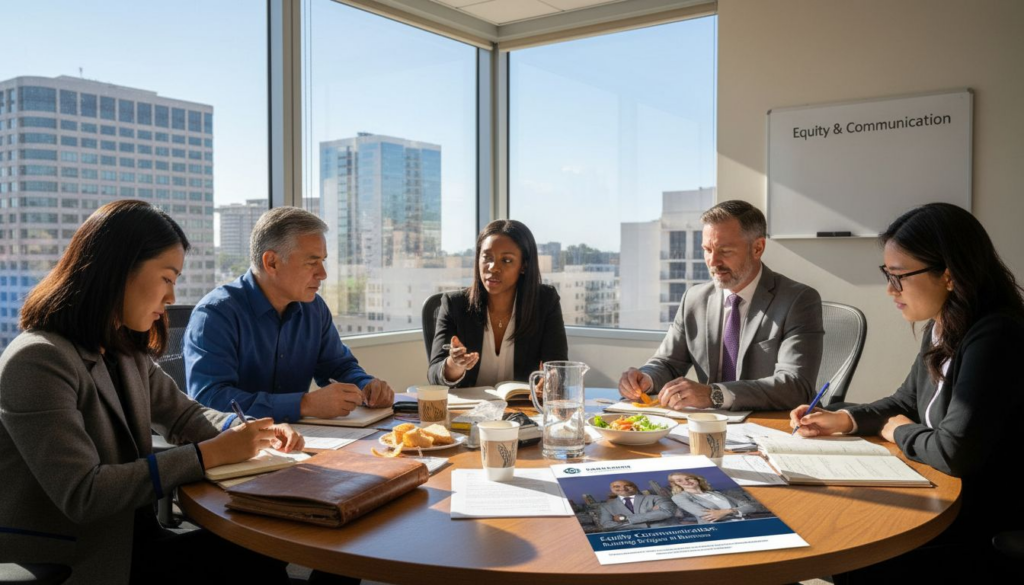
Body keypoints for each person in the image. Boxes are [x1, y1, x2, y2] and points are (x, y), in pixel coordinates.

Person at [0, 200, 302, 584]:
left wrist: (250, 430)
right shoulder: (38, 359)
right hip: (82, 557)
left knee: (260, 551)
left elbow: (184, 416)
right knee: (256, 560)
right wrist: (206, 455)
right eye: (167, 278)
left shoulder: (123, 349)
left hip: (134, 539)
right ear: (120, 272)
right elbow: (83, 494)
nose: (172, 297)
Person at [790, 203, 1024, 578]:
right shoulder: (945, 324)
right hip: (941, 497)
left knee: (851, 548)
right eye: (887, 274)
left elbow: (954, 451)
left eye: (898, 276)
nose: (889, 290)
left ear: (949, 275)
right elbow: (905, 402)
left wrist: (895, 430)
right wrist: (844, 419)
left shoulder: (996, 336)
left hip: (978, 520)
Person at [185, 207, 394, 423]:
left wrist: (366, 385)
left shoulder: (314, 309)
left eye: (323, 261)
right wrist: (304, 404)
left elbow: (338, 366)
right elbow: (210, 400)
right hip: (236, 447)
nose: (322, 274)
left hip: (298, 439)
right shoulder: (214, 315)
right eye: (312, 262)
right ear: (272, 262)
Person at [619, 200, 823, 411]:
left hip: (770, 425)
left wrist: (714, 394)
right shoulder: (694, 299)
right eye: (707, 250)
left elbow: (796, 385)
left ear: (758, 248)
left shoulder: (798, 300)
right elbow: (668, 363)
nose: (713, 261)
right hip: (707, 425)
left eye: (725, 251)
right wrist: (646, 378)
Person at [427, 219, 568, 387]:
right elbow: (434, 373)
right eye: (487, 257)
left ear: (524, 265)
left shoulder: (544, 302)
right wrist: (453, 365)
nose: (493, 268)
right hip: (471, 409)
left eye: (506, 260)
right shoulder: (454, 304)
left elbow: (558, 366)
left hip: (522, 408)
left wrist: (551, 379)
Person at [667, 472, 758, 524]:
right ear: (676, 484)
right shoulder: (679, 497)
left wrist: (726, 511)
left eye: (689, 478)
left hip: (745, 523)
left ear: (696, 479)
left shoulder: (715, 493)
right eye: (679, 480)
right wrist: (739, 511)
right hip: (718, 528)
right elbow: (707, 516)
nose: (686, 482)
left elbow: (751, 507)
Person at [596, 479, 676, 531]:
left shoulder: (656, 498)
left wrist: (625, 518)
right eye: (617, 486)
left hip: (663, 532)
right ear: (612, 490)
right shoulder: (607, 506)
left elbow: (666, 512)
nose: (623, 488)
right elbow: (607, 525)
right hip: (632, 537)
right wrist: (651, 515)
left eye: (627, 485)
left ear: (635, 487)